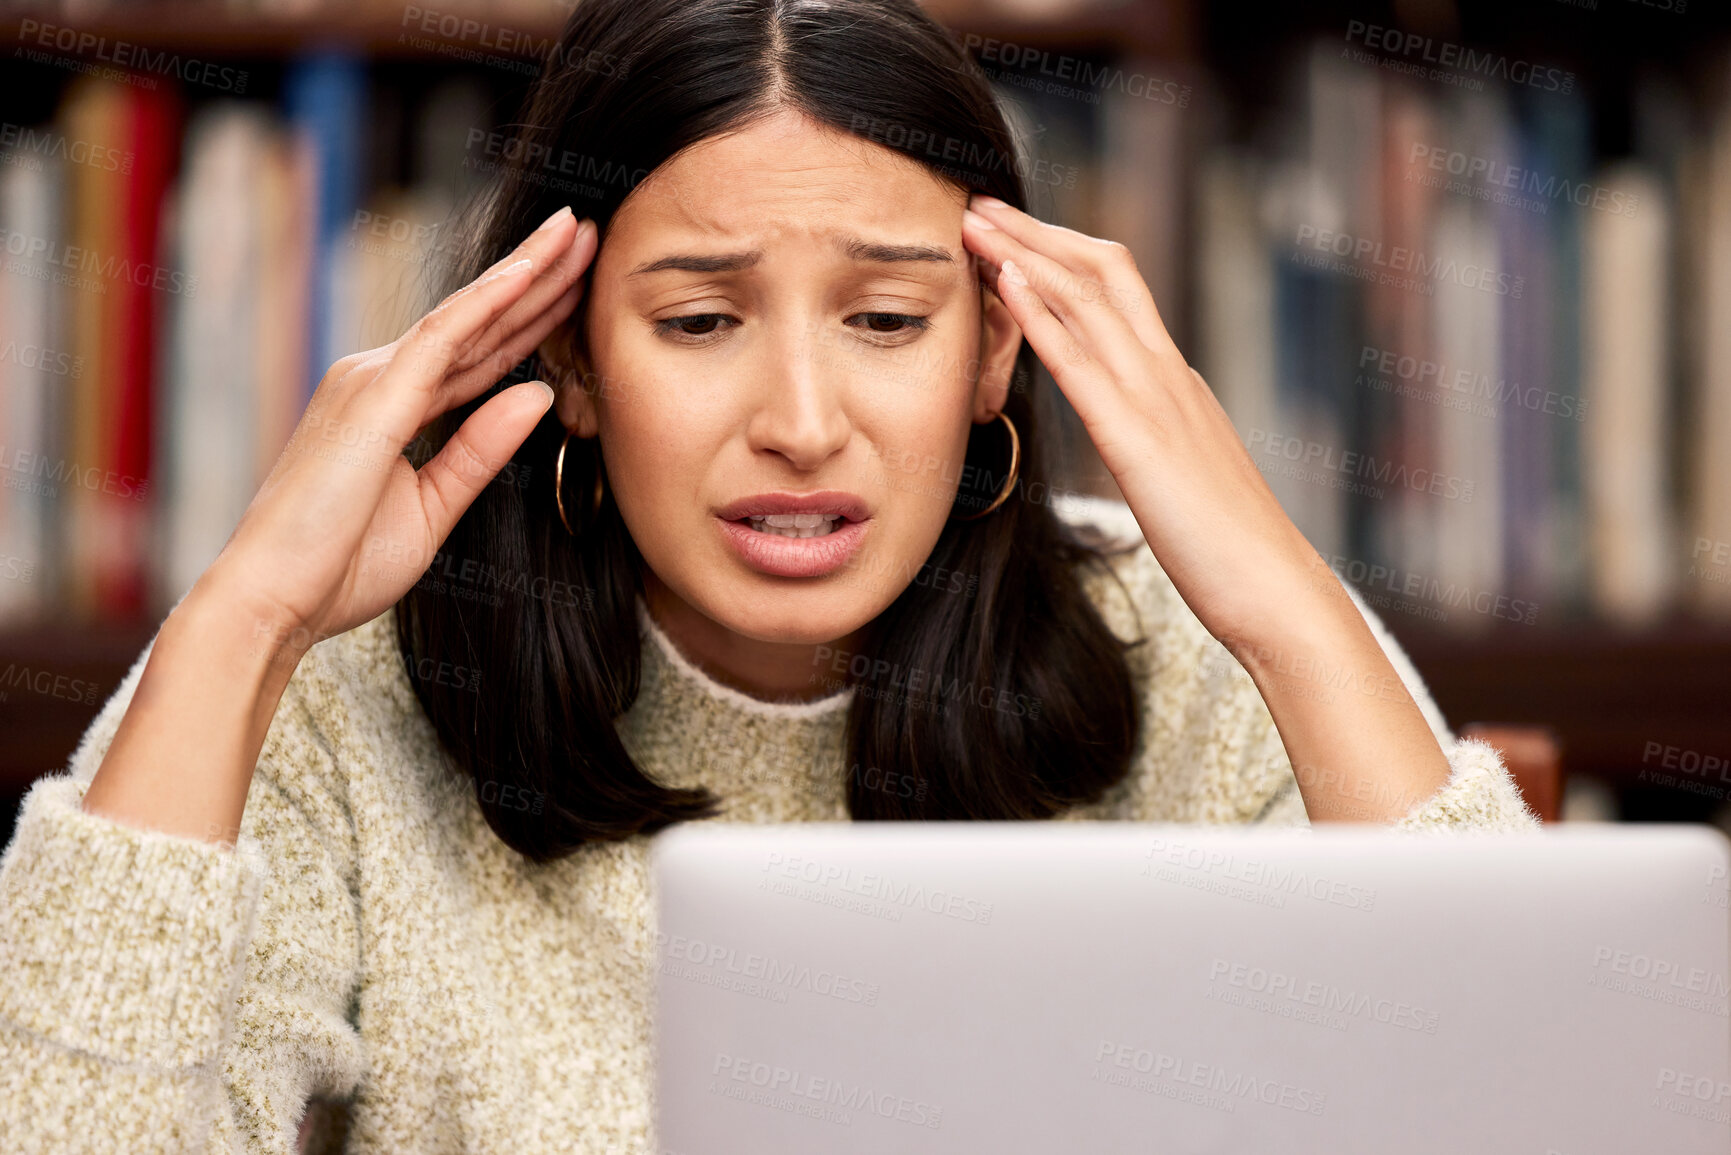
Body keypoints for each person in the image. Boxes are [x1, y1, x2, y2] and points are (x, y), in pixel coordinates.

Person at [0, 0, 1539, 1150]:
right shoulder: (348, 679)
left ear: (997, 348)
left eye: (886, 322)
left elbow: (1531, 1110)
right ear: (570, 354)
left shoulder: (1192, 644)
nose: (803, 427)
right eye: (698, 323)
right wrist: (243, 618)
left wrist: (1280, 602)